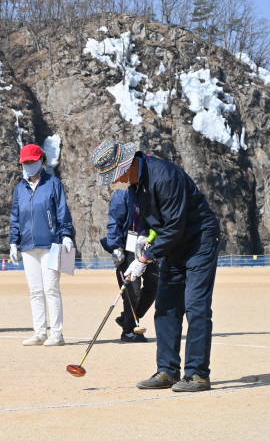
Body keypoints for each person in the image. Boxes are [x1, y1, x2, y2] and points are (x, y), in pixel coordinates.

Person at [91, 140, 221, 392]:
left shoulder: (165, 176)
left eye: (114, 175)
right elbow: (148, 219)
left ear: (126, 165)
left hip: (199, 240)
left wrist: (144, 259)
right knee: (165, 308)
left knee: (196, 306)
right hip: (171, 246)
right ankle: (167, 371)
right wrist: (142, 238)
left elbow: (174, 226)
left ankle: (197, 374)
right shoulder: (134, 184)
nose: (114, 181)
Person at [9, 144, 74, 347]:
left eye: (31, 161)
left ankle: (56, 333)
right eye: (25, 162)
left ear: (41, 161)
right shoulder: (19, 188)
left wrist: (66, 235)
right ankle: (39, 332)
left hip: (51, 244)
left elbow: (62, 211)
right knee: (35, 290)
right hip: (28, 245)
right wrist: (13, 241)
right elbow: (15, 217)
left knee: (51, 289)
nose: (28, 165)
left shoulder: (53, 183)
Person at [100, 185, 159, 343]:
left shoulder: (151, 191)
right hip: (127, 244)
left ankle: (128, 318)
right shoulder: (122, 193)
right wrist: (115, 247)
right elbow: (115, 221)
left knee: (155, 281)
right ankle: (128, 331)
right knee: (132, 290)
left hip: (147, 243)